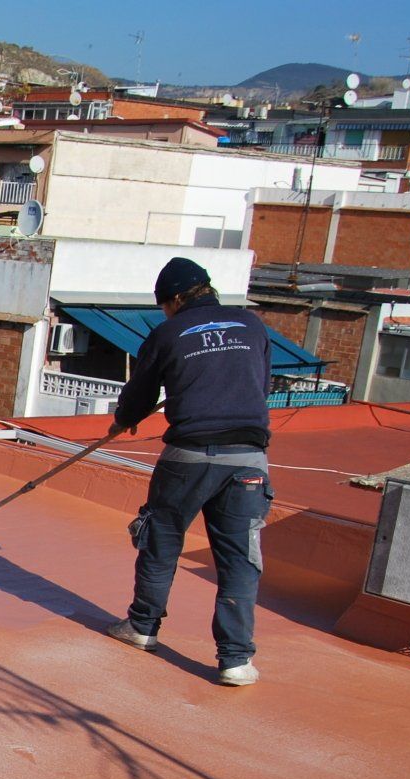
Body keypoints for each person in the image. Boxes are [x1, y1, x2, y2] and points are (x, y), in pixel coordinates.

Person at [105, 257, 275, 687]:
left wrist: (124, 419)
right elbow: (260, 385)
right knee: (239, 558)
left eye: (165, 304)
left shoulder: (168, 333)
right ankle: (235, 660)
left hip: (189, 455)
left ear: (177, 299)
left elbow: (141, 391)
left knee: (161, 540)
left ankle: (142, 628)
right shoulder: (252, 326)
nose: (165, 312)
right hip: (247, 457)